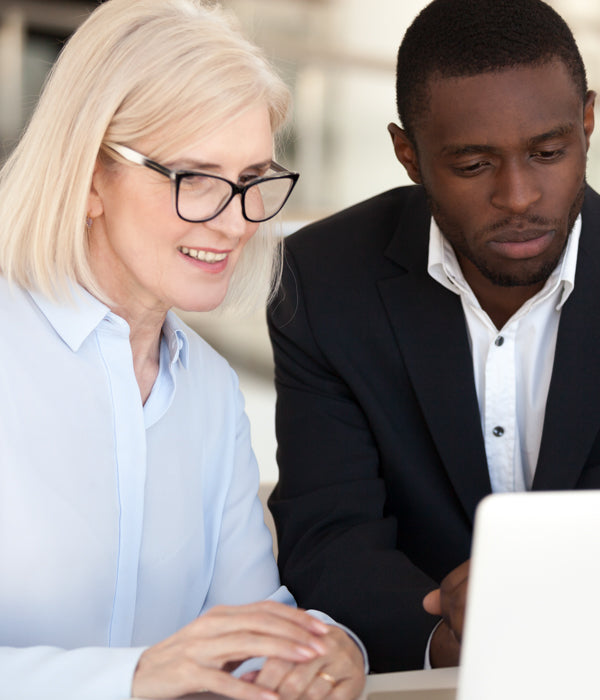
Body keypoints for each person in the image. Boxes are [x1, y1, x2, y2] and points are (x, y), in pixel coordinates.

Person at [0, 1, 367, 698]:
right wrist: (130, 678)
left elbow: (249, 630)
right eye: (194, 177)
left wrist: (327, 649)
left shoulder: (208, 388)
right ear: (89, 179)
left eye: (253, 178)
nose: (234, 222)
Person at [267, 0, 599, 674]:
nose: (518, 196)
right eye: (475, 165)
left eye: (548, 152)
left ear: (588, 122)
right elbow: (328, 532)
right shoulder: (323, 280)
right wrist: (445, 642)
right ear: (408, 155)